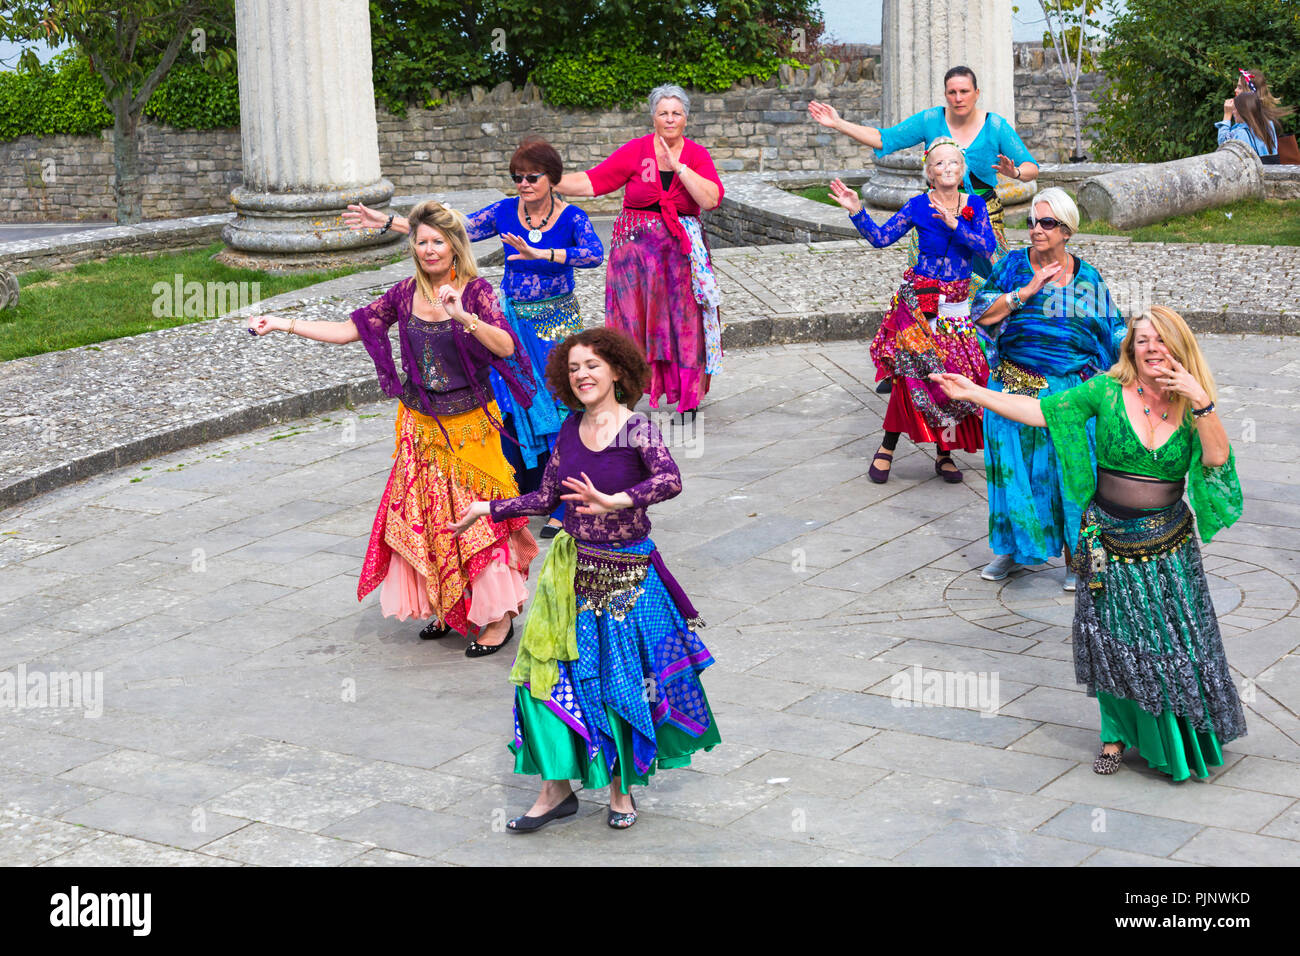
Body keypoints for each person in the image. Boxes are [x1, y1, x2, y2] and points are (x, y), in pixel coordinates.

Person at [931, 305, 1246, 781]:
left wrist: (1202, 403)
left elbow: (1218, 459)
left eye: (1161, 340)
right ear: (1130, 348)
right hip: (1106, 539)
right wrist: (975, 392)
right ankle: (1114, 736)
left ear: (1179, 346)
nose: (1152, 349)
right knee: (1109, 636)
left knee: (1171, 639)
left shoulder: (1192, 402)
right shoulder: (1106, 390)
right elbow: (1043, 412)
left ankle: (1176, 734)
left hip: (1169, 541)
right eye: (1142, 340)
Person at [450, 327, 718, 831]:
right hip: (570, 575)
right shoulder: (570, 429)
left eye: (592, 365)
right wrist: (486, 507)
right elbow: (545, 497)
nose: (582, 375)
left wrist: (618, 499)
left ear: (617, 370)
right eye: (573, 368)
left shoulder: (637, 429)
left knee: (622, 683)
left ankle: (621, 791)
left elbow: (670, 480)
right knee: (542, 678)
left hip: (627, 579)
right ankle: (555, 790)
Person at [250, 200, 539, 656]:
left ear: (454, 246)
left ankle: (497, 619)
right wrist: (283, 323)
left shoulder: (476, 291)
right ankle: (448, 606)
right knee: (428, 521)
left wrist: (463, 315)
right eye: (421, 242)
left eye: (437, 242)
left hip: (469, 431)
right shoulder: (404, 294)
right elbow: (351, 330)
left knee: (476, 522)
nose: (428, 250)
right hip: (419, 428)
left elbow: (504, 346)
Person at [345, 138, 605, 539]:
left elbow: (593, 254)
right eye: (517, 177)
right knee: (520, 407)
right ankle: (531, 489)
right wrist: (385, 222)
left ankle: (566, 503)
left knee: (563, 407)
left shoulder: (571, 218)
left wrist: (545, 256)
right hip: (511, 325)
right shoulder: (505, 212)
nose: (523, 184)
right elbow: (452, 230)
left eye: (532, 177)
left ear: (551, 178)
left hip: (555, 326)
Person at [970, 187, 1126, 590]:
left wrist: (1139, 357)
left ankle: (1080, 558)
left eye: (1047, 223)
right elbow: (981, 314)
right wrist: (1026, 292)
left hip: (1067, 390)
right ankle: (1012, 548)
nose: (1037, 230)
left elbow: (1111, 328)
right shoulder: (1012, 266)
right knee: (1012, 474)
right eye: (1032, 222)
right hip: (1013, 384)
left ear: (1067, 230)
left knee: (1074, 475)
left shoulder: (1087, 277)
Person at [828, 138, 996, 484]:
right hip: (919, 306)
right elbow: (880, 238)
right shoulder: (919, 205)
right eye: (938, 164)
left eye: (953, 163)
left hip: (957, 311)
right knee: (910, 378)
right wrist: (856, 209)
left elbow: (987, 247)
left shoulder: (976, 206)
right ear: (929, 173)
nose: (946, 169)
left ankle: (944, 452)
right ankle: (886, 448)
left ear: (962, 170)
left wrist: (955, 226)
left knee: (953, 379)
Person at [555, 84, 724, 418]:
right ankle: (625, 390)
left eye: (676, 113)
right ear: (653, 117)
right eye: (663, 113)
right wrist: (549, 180)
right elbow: (594, 182)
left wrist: (680, 167)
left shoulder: (696, 155)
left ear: (686, 118)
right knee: (628, 326)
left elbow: (710, 199)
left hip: (680, 259)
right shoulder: (636, 151)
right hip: (632, 261)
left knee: (683, 323)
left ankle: (686, 396)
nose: (670, 119)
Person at [810, 65, 1039, 274]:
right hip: (935, 212)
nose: (958, 98)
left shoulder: (995, 126)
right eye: (952, 92)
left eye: (965, 91)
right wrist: (839, 123)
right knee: (932, 277)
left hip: (982, 215)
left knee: (993, 279)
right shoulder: (930, 120)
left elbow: (1031, 167)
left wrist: (1015, 173)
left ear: (976, 93)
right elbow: (884, 138)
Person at [1217, 69, 1292, 165]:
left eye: (1239, 87)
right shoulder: (1267, 121)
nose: (1235, 90)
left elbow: (1224, 145)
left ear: (1249, 93)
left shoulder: (1244, 128)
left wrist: (1227, 116)